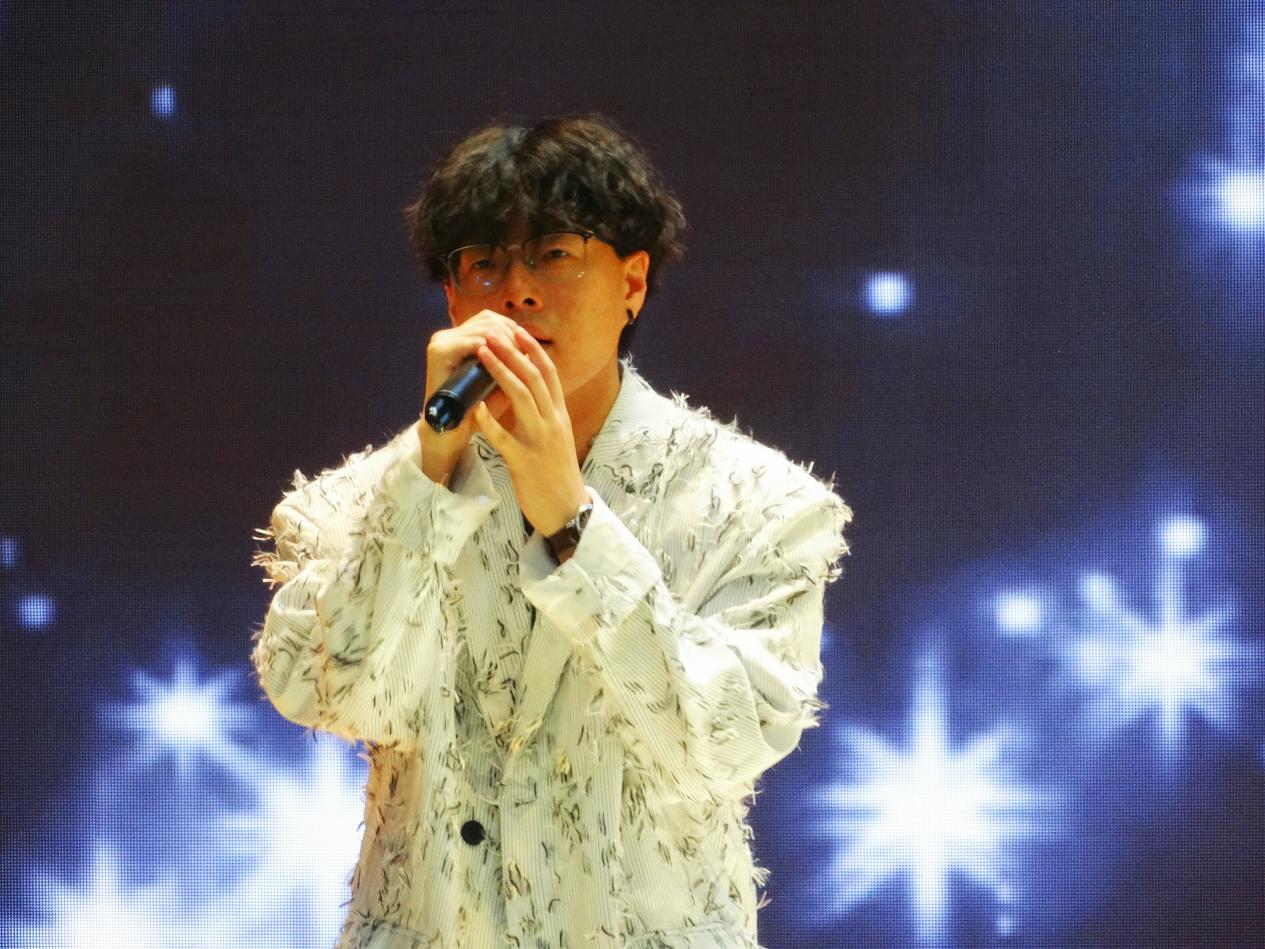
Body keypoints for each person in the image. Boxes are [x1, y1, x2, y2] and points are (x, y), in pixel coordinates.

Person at [250, 113, 853, 949]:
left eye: (554, 253)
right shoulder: (347, 507)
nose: (517, 291)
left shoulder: (759, 505)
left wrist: (572, 522)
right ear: (453, 299)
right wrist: (424, 490)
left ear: (632, 282)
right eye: (484, 263)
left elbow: (724, 738)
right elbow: (330, 696)